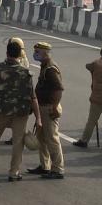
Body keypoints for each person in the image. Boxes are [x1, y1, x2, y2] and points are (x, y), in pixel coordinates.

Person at [0, 40, 41, 181]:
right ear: (20, 55)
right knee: (18, 142)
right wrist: (38, 118)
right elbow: (32, 97)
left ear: (6, 53)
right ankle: (14, 172)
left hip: (0, 110)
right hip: (20, 113)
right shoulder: (26, 73)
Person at [27, 42, 65, 179]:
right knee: (41, 138)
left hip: (49, 108)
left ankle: (58, 169)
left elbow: (59, 89)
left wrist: (54, 106)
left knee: (52, 139)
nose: (35, 54)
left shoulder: (50, 69)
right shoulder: (45, 66)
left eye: (38, 52)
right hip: (43, 107)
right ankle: (45, 166)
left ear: (45, 53)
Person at [73, 44, 102, 150]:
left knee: (92, 120)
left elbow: (87, 66)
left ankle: (84, 140)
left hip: (98, 96)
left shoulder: (97, 63)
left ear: (101, 53)